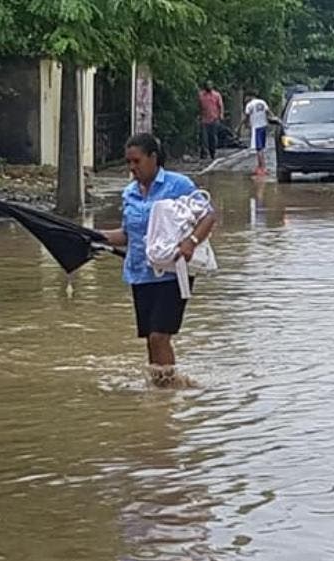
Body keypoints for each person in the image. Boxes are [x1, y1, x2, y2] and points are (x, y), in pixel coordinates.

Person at [99, 134, 216, 382]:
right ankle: (160, 393)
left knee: (159, 336)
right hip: (140, 274)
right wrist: (96, 237)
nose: (132, 168)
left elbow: (208, 216)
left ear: (153, 158)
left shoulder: (178, 185)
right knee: (150, 339)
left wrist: (191, 242)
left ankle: (169, 393)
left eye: (137, 161)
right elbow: (127, 235)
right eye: (128, 162)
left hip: (172, 272)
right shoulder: (130, 193)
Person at [243, 92, 272, 176]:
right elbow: (268, 112)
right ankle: (261, 166)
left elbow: (246, 116)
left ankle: (262, 168)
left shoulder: (249, 105)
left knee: (258, 148)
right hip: (263, 126)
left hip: (256, 127)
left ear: (249, 96)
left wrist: (245, 125)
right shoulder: (262, 102)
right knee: (262, 148)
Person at [198, 82, 224, 161]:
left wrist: (221, 114)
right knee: (204, 138)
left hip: (214, 119)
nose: (208, 87)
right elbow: (198, 105)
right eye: (207, 85)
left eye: (210, 85)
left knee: (213, 137)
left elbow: (220, 106)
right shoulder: (201, 95)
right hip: (204, 119)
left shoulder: (216, 95)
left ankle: (213, 152)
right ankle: (204, 154)